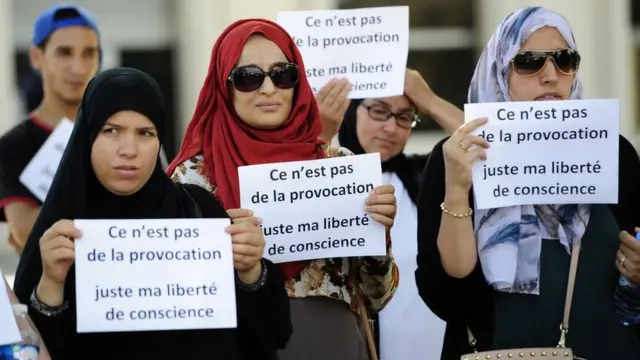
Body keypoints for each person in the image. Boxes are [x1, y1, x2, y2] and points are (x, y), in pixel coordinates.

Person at [12, 67, 291, 359]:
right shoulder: (61, 233)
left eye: (145, 133)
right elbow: (31, 350)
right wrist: (52, 284)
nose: (129, 149)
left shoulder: (197, 212)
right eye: (111, 131)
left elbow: (271, 334)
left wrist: (251, 272)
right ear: (87, 137)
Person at [415, 6, 640, 360]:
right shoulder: (457, 156)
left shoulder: (615, 153)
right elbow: (446, 296)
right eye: (530, 61)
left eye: (565, 59)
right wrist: (458, 190)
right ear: (499, 69)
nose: (551, 75)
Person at [168, 19, 399, 360]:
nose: (267, 89)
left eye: (282, 74)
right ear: (224, 85)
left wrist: (378, 234)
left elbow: (378, 295)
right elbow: (175, 294)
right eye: (248, 77)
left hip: (336, 346)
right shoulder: (192, 178)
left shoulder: (339, 164)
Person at [337, 69, 462, 359]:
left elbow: (495, 152)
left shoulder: (427, 178)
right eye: (379, 111)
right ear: (351, 109)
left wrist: (428, 100)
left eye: (405, 116)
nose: (392, 127)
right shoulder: (325, 179)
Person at [0, 4, 100, 254]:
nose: (78, 67)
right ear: (36, 57)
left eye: (89, 53)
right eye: (64, 52)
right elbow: (26, 234)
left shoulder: (120, 133)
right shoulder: (14, 146)